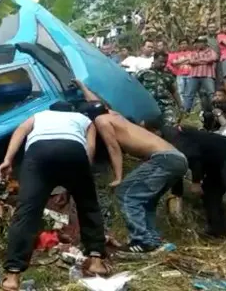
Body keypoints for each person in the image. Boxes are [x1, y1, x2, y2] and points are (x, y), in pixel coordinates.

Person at [0, 102, 111, 290]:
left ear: (52, 110)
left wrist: (8, 159)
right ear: (71, 111)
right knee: (88, 206)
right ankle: (96, 261)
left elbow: (20, 131)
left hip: (39, 153)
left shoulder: (40, 116)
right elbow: (89, 148)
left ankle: (12, 276)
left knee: (26, 213)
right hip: (73, 152)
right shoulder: (83, 119)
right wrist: (82, 175)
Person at [73, 80, 188, 254]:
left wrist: (118, 177)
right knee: (146, 201)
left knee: (126, 194)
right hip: (177, 158)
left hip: (163, 159)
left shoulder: (102, 122)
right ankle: (153, 240)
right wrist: (83, 87)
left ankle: (141, 240)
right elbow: (97, 103)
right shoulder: (113, 115)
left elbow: (114, 148)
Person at [160, 125, 226, 241]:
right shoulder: (166, 145)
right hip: (215, 162)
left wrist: (196, 182)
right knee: (210, 193)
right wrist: (177, 194)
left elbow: (195, 157)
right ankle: (217, 230)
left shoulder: (178, 139)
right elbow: (177, 169)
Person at [136, 52, 182, 126]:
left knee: (170, 125)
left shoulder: (168, 76)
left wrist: (180, 106)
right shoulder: (143, 73)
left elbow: (174, 92)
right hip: (148, 106)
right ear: (154, 60)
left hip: (165, 106)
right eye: (161, 62)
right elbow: (134, 87)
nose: (163, 64)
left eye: (165, 62)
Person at [183, 37, 218, 113]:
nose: (198, 44)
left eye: (200, 42)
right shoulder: (193, 52)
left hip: (207, 75)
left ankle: (216, 110)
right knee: (189, 94)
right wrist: (205, 61)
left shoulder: (211, 51)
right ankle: (186, 113)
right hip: (194, 75)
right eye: (197, 43)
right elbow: (191, 61)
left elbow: (214, 58)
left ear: (205, 43)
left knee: (211, 93)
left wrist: (197, 61)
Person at [166, 38, 192, 104]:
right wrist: (187, 59)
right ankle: (182, 105)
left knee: (190, 91)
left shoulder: (191, 53)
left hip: (190, 74)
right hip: (180, 74)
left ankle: (189, 106)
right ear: (179, 45)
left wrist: (180, 62)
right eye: (182, 44)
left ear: (188, 45)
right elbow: (174, 63)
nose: (183, 45)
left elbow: (192, 61)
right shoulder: (176, 54)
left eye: (185, 43)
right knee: (180, 91)